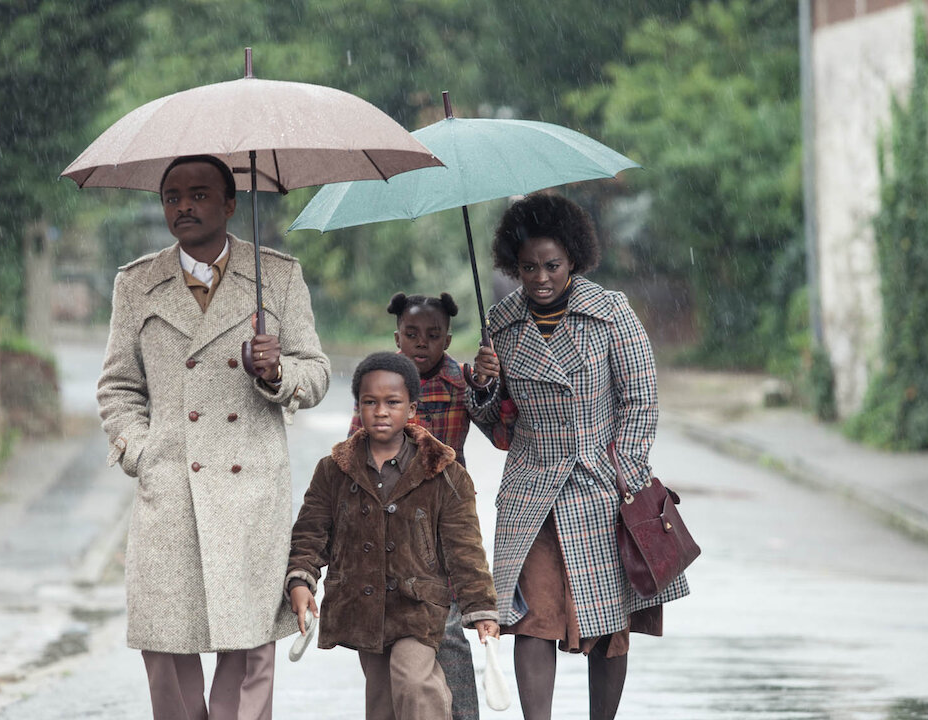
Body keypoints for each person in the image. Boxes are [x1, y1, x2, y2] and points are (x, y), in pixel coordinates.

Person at [97, 154, 330, 720]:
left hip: (250, 488)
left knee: (249, 646)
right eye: (172, 196)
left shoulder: (276, 275)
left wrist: (276, 374)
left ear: (231, 204)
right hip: (170, 489)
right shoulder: (137, 284)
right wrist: (141, 450)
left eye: (199, 195)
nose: (184, 206)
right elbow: (118, 386)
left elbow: (317, 372)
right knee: (165, 643)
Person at [466, 193, 688, 720]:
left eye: (551, 265)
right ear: (511, 265)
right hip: (531, 488)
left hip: (603, 486)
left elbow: (641, 397)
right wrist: (483, 385)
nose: (539, 277)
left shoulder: (611, 312)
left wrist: (625, 469)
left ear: (573, 259)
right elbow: (500, 426)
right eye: (527, 267)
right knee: (529, 617)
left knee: (609, 624)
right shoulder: (499, 324)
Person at [287, 352, 500, 720]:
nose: (381, 411)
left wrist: (480, 608)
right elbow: (311, 531)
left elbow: (465, 550)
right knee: (382, 701)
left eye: (392, 402)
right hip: (361, 605)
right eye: (370, 402)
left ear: (412, 408)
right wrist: (301, 579)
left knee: (414, 679)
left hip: (419, 606)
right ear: (358, 407)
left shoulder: (444, 474)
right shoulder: (333, 471)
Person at [345, 291, 509, 720]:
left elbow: (502, 431)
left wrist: (488, 383)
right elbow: (352, 451)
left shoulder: (462, 382)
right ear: (396, 337)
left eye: (433, 335)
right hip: (388, 525)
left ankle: (461, 714)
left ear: (448, 340)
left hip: (444, 521)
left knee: (450, 629)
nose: (422, 343)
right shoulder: (382, 387)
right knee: (387, 636)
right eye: (412, 334)